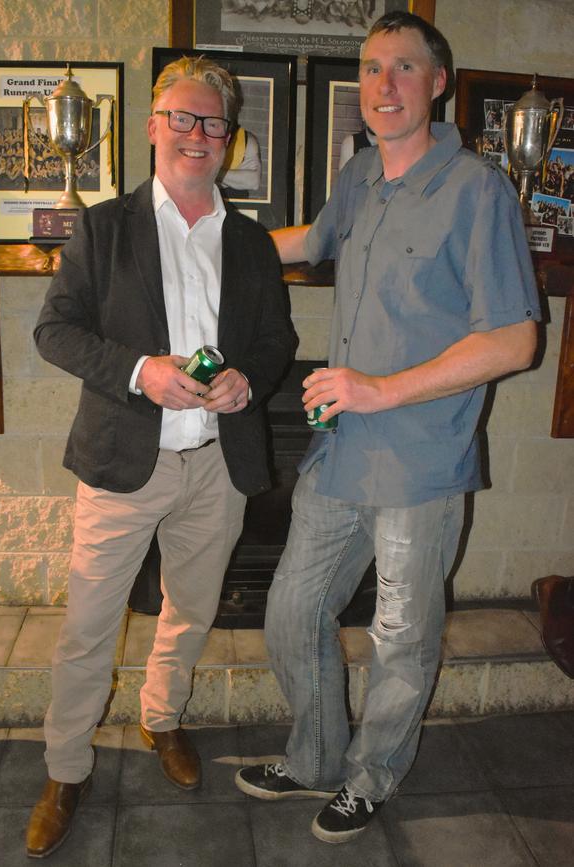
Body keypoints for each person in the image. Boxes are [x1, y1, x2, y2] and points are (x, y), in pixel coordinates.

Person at [235, 10, 539, 845]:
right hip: (339, 452)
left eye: (404, 68)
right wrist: (205, 238)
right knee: (294, 610)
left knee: (402, 637)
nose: (384, 85)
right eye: (372, 69)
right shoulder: (360, 175)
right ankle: (315, 756)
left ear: (438, 83)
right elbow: (305, 242)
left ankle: (372, 777)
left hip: (423, 462)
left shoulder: (478, 190)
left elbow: (515, 339)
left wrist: (381, 389)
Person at [26, 54, 297, 859]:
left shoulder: (251, 243)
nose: (196, 134)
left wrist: (251, 379)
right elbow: (55, 330)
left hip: (219, 463)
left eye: (212, 122)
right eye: (181, 117)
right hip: (121, 462)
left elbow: (278, 340)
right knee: (87, 627)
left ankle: (161, 718)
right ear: (152, 128)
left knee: (190, 610)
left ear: (229, 139)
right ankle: (65, 767)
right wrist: (142, 371)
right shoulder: (104, 227)